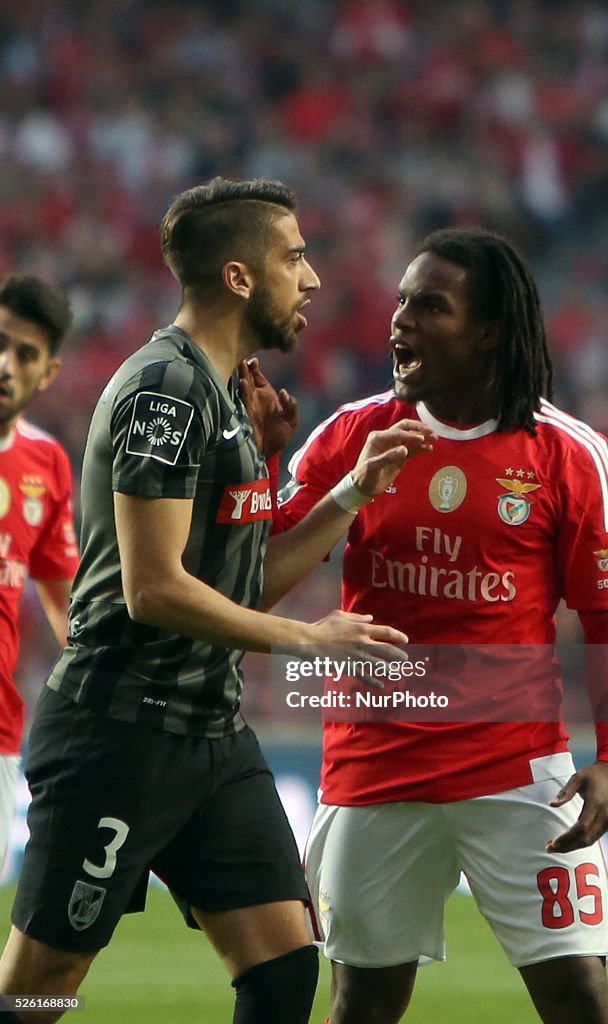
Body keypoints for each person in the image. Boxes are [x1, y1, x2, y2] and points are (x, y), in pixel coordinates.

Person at [0, 178, 435, 1024]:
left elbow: (242, 582)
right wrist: (307, 641)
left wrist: (348, 492)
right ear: (239, 278)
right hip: (118, 736)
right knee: (36, 992)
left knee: (281, 968)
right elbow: (154, 588)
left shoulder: (233, 393)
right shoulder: (164, 391)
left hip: (210, 735)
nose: (311, 279)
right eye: (294, 256)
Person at [277, 228, 608, 1024]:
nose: (399, 320)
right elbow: (256, 578)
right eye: (402, 301)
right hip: (373, 770)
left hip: (517, 772)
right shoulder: (348, 435)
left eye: (428, 306)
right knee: (362, 1005)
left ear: (487, 333)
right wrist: (277, 474)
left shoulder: (568, 453)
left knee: (580, 998)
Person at [0, 274, 78, 872]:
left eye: (24, 354)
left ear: (47, 372)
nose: (5, 364)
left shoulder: (45, 463)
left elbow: (71, 615)